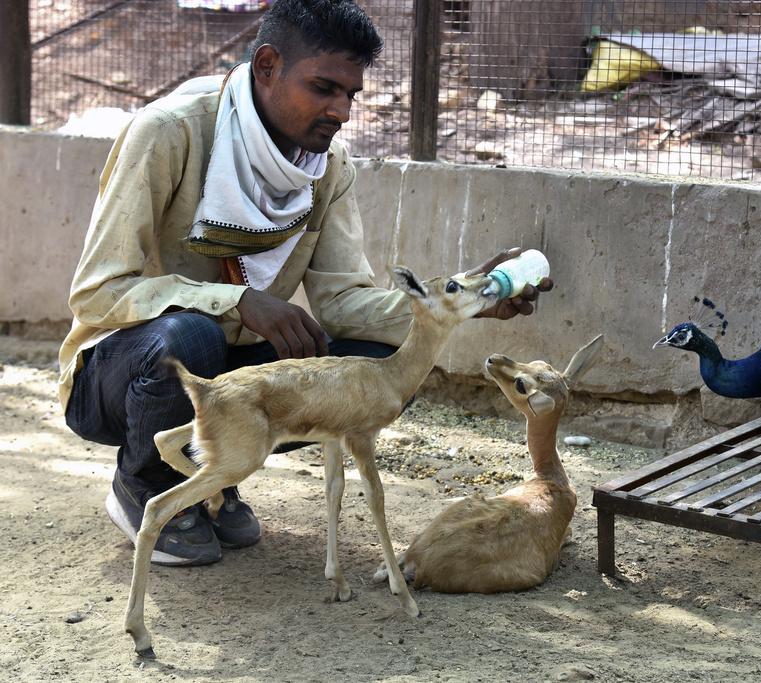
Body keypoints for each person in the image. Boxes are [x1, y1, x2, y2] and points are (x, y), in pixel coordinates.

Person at [57, 0, 551, 568]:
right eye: (323, 88)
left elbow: (343, 303)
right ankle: (142, 478)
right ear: (267, 65)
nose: (341, 110)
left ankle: (218, 471)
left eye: (350, 95)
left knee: (383, 359)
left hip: (234, 381)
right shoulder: (169, 132)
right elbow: (98, 291)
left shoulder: (327, 165)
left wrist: (471, 303)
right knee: (191, 334)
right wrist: (239, 302)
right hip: (119, 376)